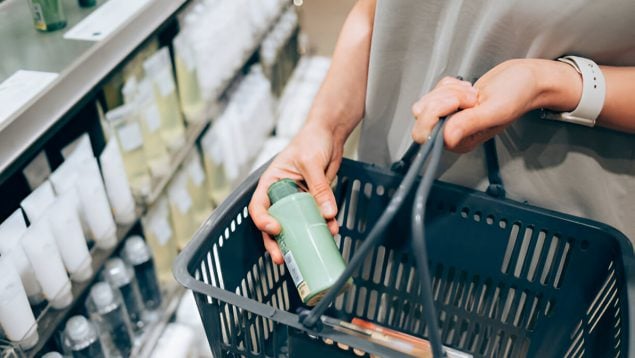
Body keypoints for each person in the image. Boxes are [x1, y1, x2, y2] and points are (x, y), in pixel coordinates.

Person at [249, 0, 635, 265]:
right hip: (393, 199)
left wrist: (552, 82)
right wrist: (324, 128)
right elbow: (375, 13)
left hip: (553, 242)